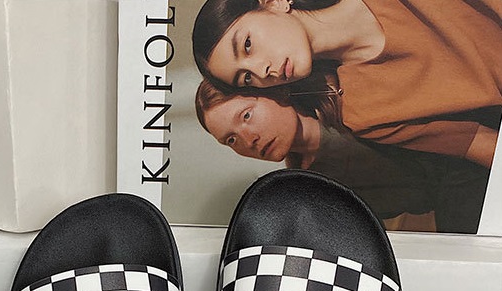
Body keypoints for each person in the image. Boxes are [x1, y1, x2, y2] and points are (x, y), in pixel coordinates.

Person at [192, 0, 502, 167]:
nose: (263, 70)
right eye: (246, 77)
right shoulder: (362, 114)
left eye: (247, 45)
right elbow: (481, 145)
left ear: (274, 3)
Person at [195, 78, 491, 232]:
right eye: (231, 139)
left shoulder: (349, 96)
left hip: (481, 157)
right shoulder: (310, 190)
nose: (248, 140)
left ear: (276, 93)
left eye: (246, 116)